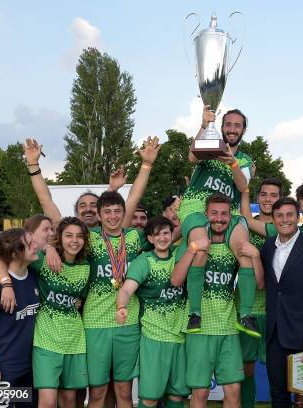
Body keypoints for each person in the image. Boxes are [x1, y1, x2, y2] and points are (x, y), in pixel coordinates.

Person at [171, 193, 264, 408]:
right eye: (214, 213)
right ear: (206, 214)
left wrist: (256, 255)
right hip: (200, 330)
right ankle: (196, 312)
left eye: (224, 214)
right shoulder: (194, 242)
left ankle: (246, 315)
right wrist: (193, 248)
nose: (219, 219)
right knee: (200, 392)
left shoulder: (236, 245)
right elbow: (176, 280)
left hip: (228, 327)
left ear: (230, 217)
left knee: (234, 389)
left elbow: (260, 283)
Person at [178, 106, 258, 335]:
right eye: (228, 125)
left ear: (243, 130)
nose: (232, 129)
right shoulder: (210, 145)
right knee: (201, 248)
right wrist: (204, 125)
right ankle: (195, 314)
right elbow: (192, 156)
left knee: (244, 250)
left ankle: (245, 315)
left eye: (237, 125)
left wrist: (232, 163)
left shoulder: (244, 159)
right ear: (221, 127)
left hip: (228, 212)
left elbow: (243, 187)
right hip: (197, 206)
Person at [0, 218, 91, 408]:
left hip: (75, 340)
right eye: (69, 235)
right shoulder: (42, 261)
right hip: (46, 340)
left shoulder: (87, 266)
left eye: (79, 236)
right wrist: (6, 283)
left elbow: (82, 299)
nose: (74, 241)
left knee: (69, 400)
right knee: (47, 401)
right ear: (59, 238)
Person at [115, 216, 188, 408]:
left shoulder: (180, 255)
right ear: (150, 238)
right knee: (149, 398)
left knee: (177, 396)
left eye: (166, 233)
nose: (163, 238)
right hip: (154, 337)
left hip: (180, 337)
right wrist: (121, 307)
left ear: (172, 235)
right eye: (157, 234)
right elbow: (126, 289)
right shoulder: (144, 261)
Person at [261, 197, 303, 407]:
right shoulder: (268, 247)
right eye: (279, 215)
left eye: (289, 215)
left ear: (297, 217)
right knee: (278, 394)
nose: (285, 220)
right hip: (275, 335)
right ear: (273, 220)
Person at [0, 229, 40, 407]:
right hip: (4, 369)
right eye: (30, 244)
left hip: (30, 367)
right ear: (15, 253)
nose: (36, 246)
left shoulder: (34, 276)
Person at [238, 178, 283, 407]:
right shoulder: (243, 227)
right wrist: (244, 186)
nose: (267, 199)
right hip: (247, 308)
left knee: (278, 367)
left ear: (280, 199)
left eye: (273, 195)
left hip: (274, 308)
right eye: (263, 194)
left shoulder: (283, 227)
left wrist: (243, 184)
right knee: (246, 367)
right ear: (258, 198)